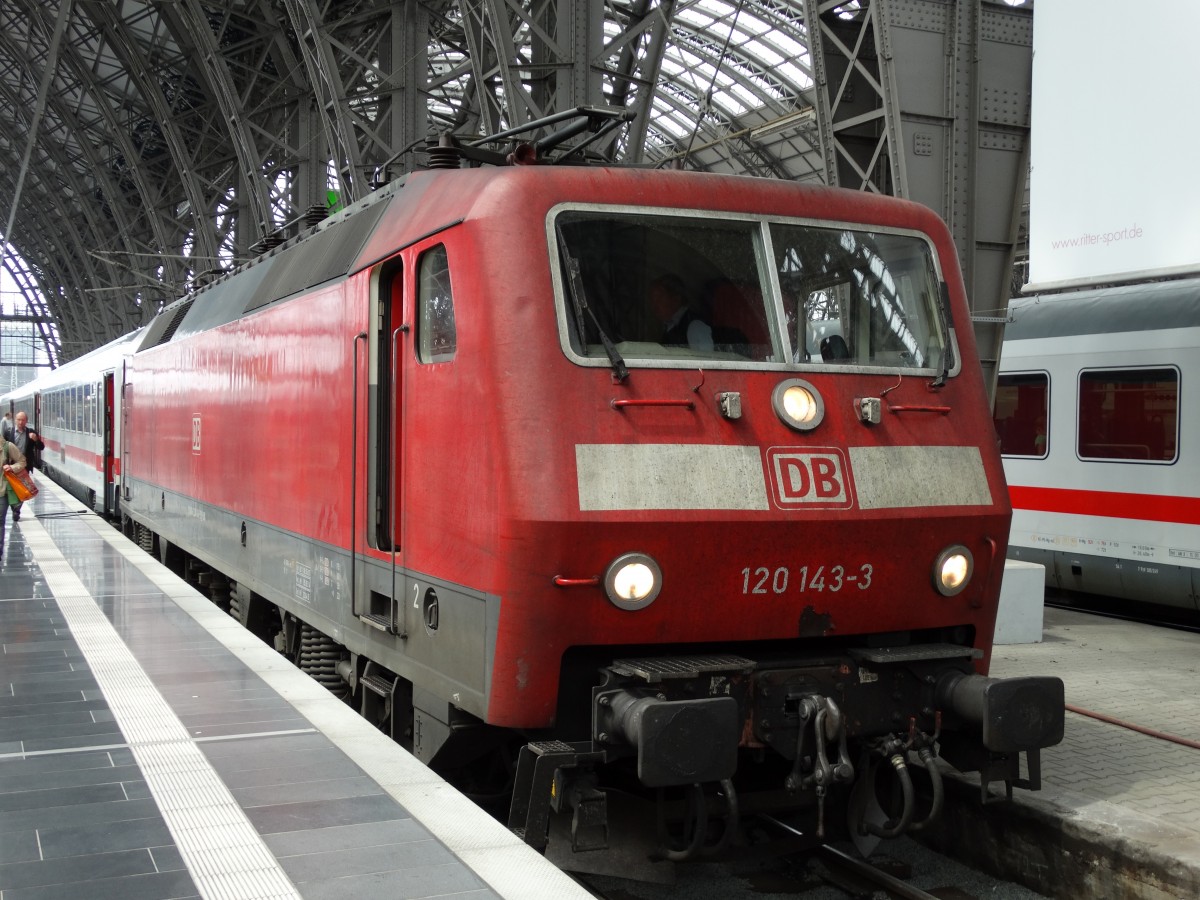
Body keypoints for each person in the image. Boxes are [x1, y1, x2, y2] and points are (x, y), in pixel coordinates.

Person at [648, 274, 714, 351]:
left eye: (659, 298)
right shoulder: (668, 327)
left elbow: (706, 357)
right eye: (652, 299)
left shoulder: (695, 326)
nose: (654, 305)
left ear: (676, 299)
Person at [8, 411, 42, 520]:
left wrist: (36, 440)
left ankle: (16, 509)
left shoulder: (31, 432)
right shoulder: (8, 432)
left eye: (23, 420)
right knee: (12, 489)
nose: (20, 422)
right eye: (18, 420)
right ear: (15, 420)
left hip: (24, 466)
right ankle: (14, 507)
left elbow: (41, 447)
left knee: (22, 489)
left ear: (26, 421)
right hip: (10, 466)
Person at [0, 436, 27, 554]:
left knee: (0, 520)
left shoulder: (7, 446)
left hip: (2, 490)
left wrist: (11, 467)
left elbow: (22, 461)